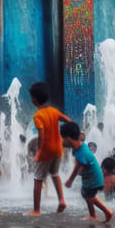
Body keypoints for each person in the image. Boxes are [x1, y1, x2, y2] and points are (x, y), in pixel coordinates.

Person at [26, 81, 71, 215]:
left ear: (34, 99)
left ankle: (36, 210)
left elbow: (41, 136)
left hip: (46, 150)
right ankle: (62, 200)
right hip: (58, 149)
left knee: (38, 179)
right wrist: (65, 135)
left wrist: (39, 152)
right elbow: (68, 120)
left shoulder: (38, 115)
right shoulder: (53, 111)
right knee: (55, 174)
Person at [61, 121, 113, 222]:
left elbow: (78, 167)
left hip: (94, 179)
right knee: (86, 194)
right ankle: (92, 215)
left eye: (62, 138)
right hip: (91, 178)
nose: (61, 141)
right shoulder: (79, 146)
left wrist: (70, 180)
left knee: (89, 197)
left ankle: (107, 212)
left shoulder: (81, 152)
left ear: (68, 139)